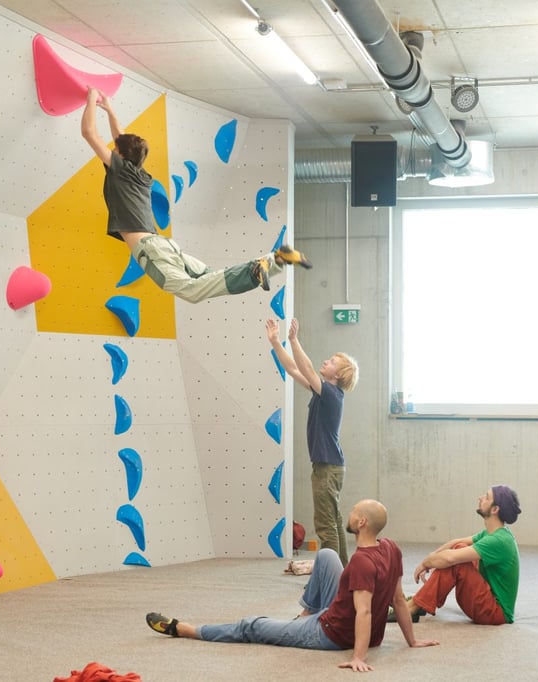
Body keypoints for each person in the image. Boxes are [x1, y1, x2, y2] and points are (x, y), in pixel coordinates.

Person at [145, 499, 439, 672]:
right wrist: (411, 641)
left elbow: (364, 612)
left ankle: (187, 630)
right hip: (342, 614)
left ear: (361, 523)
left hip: (330, 633)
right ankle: (305, 614)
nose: (349, 514)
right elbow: (398, 600)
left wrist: (358, 657)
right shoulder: (390, 547)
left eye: (353, 511)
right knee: (327, 555)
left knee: (253, 626)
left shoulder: (362, 561)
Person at [80, 86, 312, 303]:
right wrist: (109, 109)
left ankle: (263, 266)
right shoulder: (140, 175)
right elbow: (121, 138)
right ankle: (272, 262)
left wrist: (91, 97)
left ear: (120, 156)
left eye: (114, 149)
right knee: (209, 277)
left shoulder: (121, 169)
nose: (111, 149)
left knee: (191, 291)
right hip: (162, 244)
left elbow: (89, 133)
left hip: (150, 249)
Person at [266, 318, 358, 565]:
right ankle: (341, 571)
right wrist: (276, 343)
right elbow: (293, 369)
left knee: (326, 525)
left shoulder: (331, 394)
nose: (326, 361)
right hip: (328, 466)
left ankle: (331, 575)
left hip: (327, 468)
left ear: (338, 375)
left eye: (332, 362)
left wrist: (293, 340)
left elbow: (305, 367)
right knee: (333, 521)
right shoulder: (322, 391)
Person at [397, 485, 521, 626]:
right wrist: (430, 558)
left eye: (486, 497)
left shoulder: (498, 540)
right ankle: (418, 603)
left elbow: (450, 558)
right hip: (489, 602)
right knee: (459, 548)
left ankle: (413, 607)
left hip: (495, 613)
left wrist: (427, 563)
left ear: (494, 509)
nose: (480, 498)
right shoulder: (493, 533)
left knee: (457, 562)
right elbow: (456, 542)